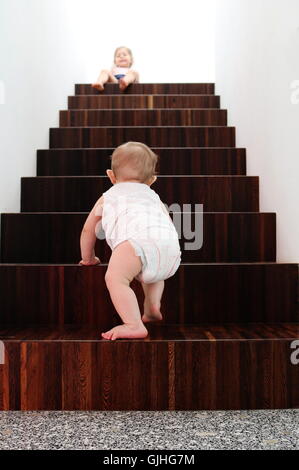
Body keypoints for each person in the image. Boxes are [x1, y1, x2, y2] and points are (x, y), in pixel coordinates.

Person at [79, 142, 181, 341]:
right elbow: (167, 223)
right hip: (170, 250)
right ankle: (152, 307)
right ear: (152, 180)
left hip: (134, 242)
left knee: (115, 278)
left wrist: (88, 257)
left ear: (111, 176)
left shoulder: (108, 197)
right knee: (152, 266)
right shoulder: (154, 197)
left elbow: (88, 229)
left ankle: (133, 324)